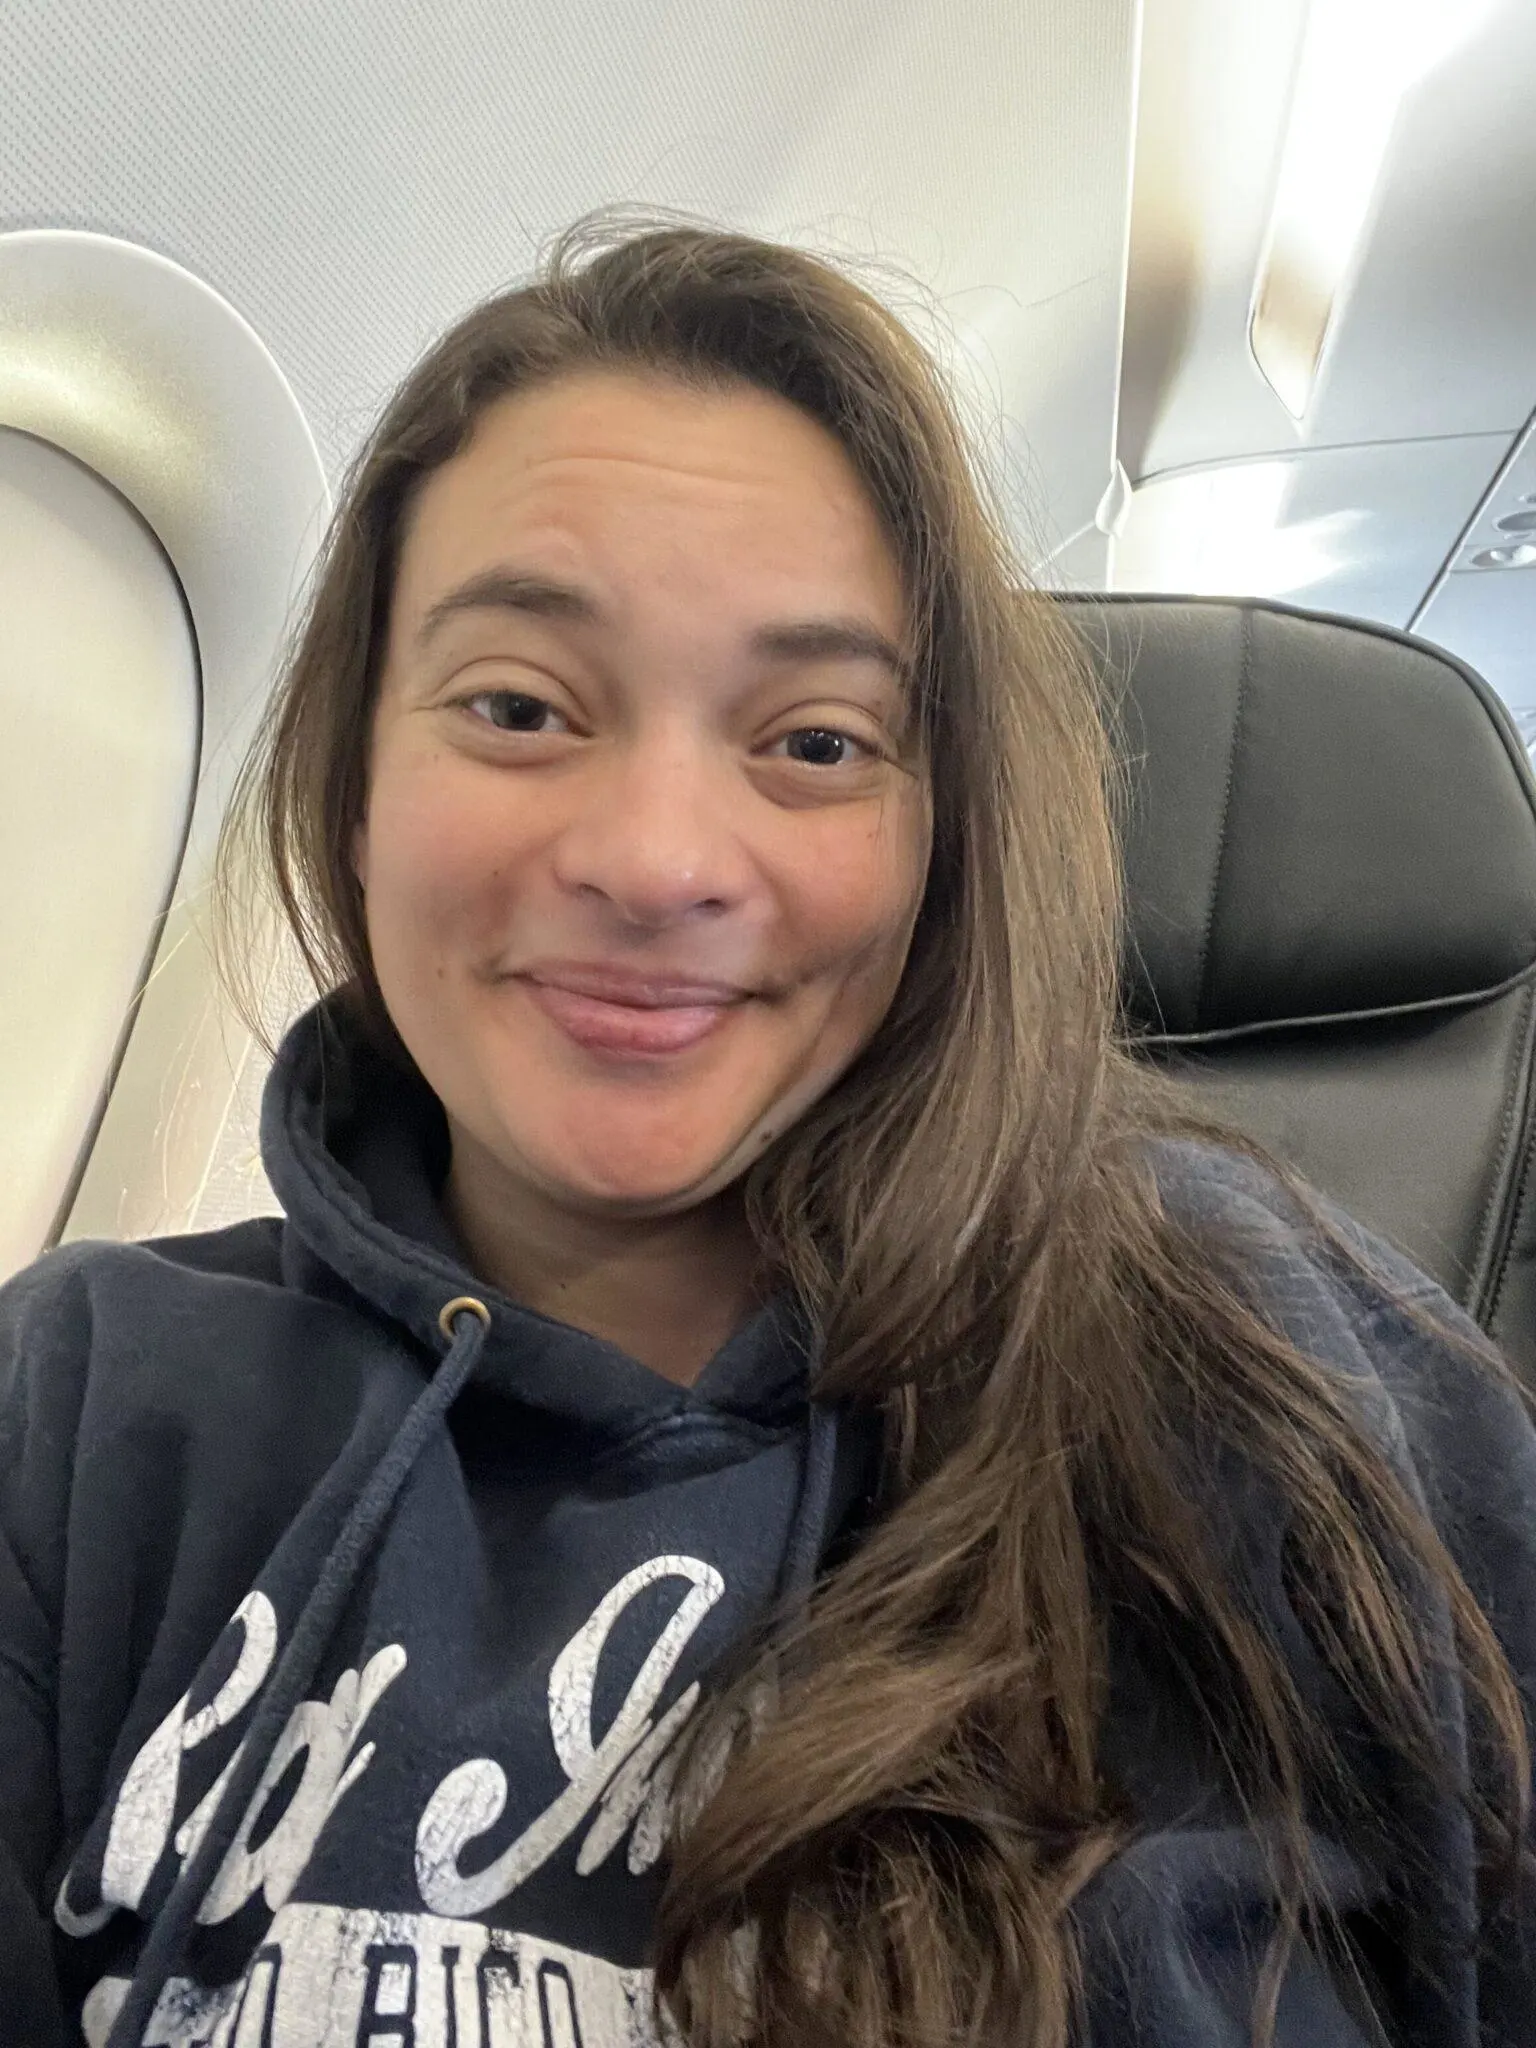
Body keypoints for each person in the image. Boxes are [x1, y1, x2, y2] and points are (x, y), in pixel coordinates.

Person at [1, 209, 1532, 2048]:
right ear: (352, 786)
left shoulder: (1283, 1359)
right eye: (518, 706)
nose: (654, 863)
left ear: (939, 835)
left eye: (813, 741)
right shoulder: (74, 1400)